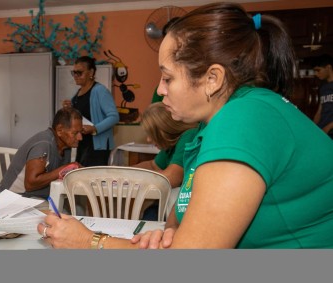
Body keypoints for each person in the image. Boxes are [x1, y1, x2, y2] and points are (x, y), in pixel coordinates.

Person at [37, 2, 333, 249]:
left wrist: (91, 242)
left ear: (212, 79)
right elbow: (181, 229)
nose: (161, 90)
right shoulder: (208, 128)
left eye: (167, 78)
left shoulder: (244, 120)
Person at [0, 107, 83, 199]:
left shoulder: (67, 146)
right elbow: (30, 184)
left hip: (40, 197)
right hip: (15, 198)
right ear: (59, 130)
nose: (80, 137)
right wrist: (64, 169)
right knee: (67, 210)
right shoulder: (43, 145)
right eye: (75, 133)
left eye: (81, 132)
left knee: (79, 203)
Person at [133, 102, 198, 220]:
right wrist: (124, 172)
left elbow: (170, 179)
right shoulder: (171, 144)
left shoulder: (189, 136)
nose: (148, 139)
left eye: (151, 134)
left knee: (150, 217)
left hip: (186, 205)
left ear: (163, 130)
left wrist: (134, 179)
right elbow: (152, 165)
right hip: (173, 202)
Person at [62, 56, 119, 166]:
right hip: (82, 144)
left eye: (79, 72)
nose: (76, 76)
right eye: (74, 73)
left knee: (93, 178)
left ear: (91, 72)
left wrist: (95, 128)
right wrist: (68, 109)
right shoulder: (77, 94)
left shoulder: (100, 90)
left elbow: (114, 117)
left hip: (97, 146)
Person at [311, 54, 333, 138]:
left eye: (318, 70)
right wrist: (312, 127)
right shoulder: (323, 87)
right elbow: (319, 111)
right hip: (322, 129)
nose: (316, 74)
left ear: (328, 67)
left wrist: (328, 128)